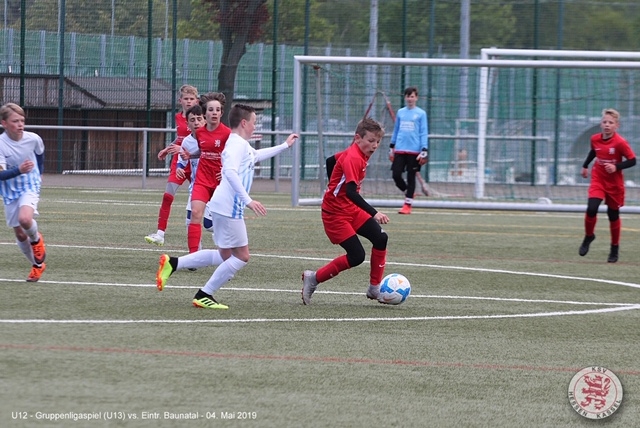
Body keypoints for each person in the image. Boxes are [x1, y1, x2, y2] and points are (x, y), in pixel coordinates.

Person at [156, 104, 299, 309]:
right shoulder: (235, 144)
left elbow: (256, 155)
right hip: (229, 208)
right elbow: (230, 171)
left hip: (223, 206)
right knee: (242, 256)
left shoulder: (239, 143)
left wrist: (285, 146)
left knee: (224, 255)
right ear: (244, 123)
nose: (255, 126)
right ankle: (205, 294)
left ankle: (173, 263)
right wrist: (248, 200)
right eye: (254, 122)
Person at [302, 117, 389, 305]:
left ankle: (374, 288)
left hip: (350, 209)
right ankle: (313, 278)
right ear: (357, 138)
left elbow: (330, 161)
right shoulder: (353, 158)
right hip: (335, 215)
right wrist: (374, 213)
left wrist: (333, 186)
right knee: (357, 256)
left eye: (378, 141)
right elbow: (350, 192)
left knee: (381, 238)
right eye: (371, 141)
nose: (375, 146)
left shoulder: (359, 152)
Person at [579, 108, 636, 263]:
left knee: (613, 215)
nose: (607, 125)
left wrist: (616, 167)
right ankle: (589, 236)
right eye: (605, 122)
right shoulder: (594, 138)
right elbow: (594, 151)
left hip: (614, 184)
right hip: (598, 178)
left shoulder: (620, 142)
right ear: (601, 124)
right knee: (592, 208)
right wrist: (585, 166)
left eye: (611, 122)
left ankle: (614, 248)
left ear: (616, 125)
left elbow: (632, 160)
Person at [145, 84, 199, 246]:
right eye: (186, 98)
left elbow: (202, 141)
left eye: (191, 99)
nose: (188, 101)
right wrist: (167, 149)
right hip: (179, 162)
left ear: (196, 101)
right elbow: (181, 138)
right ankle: (160, 234)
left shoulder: (200, 118)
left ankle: (209, 231)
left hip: (196, 162)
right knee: (168, 195)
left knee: (203, 200)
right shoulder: (178, 117)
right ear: (180, 100)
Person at [0, 103, 47, 282]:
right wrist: (19, 170)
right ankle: (37, 265)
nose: (20, 124)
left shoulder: (33, 138)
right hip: (9, 190)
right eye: (15, 121)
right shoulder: (1, 144)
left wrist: (39, 172)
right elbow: (1, 175)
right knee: (20, 234)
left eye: (22, 120)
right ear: (4, 123)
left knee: (25, 219)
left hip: (29, 184)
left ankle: (36, 240)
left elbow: (40, 154)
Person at [186, 92, 231, 253]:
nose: (214, 113)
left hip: (221, 183)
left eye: (217, 110)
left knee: (222, 220)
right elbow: (203, 151)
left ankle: (228, 256)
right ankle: (193, 255)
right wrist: (189, 155)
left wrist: (225, 171)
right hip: (202, 180)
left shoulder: (227, 134)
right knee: (195, 213)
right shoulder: (200, 133)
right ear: (205, 113)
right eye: (211, 110)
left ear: (221, 113)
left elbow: (235, 156)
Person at [174, 104, 214, 246]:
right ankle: (196, 252)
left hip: (215, 187)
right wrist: (179, 168)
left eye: (199, 119)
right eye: (192, 120)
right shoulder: (187, 141)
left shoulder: (214, 138)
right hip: (197, 186)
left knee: (209, 225)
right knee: (190, 221)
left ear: (205, 120)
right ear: (187, 124)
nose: (196, 122)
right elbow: (182, 161)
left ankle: (230, 236)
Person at [389, 86, 428, 215]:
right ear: (405, 97)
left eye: (412, 96)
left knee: (411, 177)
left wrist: (424, 149)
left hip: (414, 151)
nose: (410, 99)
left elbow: (423, 132)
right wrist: (392, 146)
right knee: (396, 174)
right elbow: (396, 130)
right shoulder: (401, 112)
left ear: (416, 98)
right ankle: (408, 192)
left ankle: (407, 205)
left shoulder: (421, 113)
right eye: (408, 96)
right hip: (400, 149)